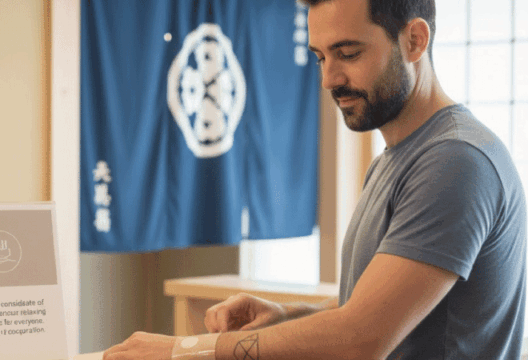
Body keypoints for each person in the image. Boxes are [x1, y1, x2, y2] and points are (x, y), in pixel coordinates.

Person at [102, 0, 527, 358]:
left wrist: (185, 349)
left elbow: (363, 338)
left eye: (348, 53)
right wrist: (288, 315)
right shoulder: (396, 159)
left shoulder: (455, 161)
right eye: (321, 56)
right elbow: (372, 308)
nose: (329, 79)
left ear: (415, 40)